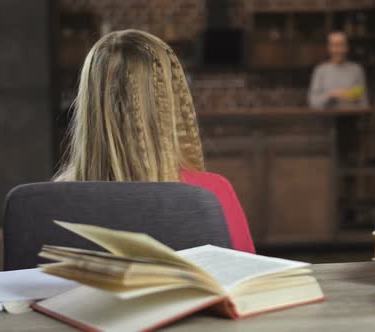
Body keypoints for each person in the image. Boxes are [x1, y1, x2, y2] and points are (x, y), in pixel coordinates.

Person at [54, 29, 255, 254]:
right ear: (170, 100)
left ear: (88, 101)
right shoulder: (211, 194)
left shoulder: (50, 202)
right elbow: (248, 284)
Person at [308, 31, 368, 109]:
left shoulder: (357, 70)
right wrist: (332, 94)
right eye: (335, 45)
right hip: (326, 119)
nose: (339, 50)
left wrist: (352, 95)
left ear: (347, 47)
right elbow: (313, 102)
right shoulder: (320, 70)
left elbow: (364, 101)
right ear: (329, 48)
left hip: (352, 118)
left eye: (341, 45)